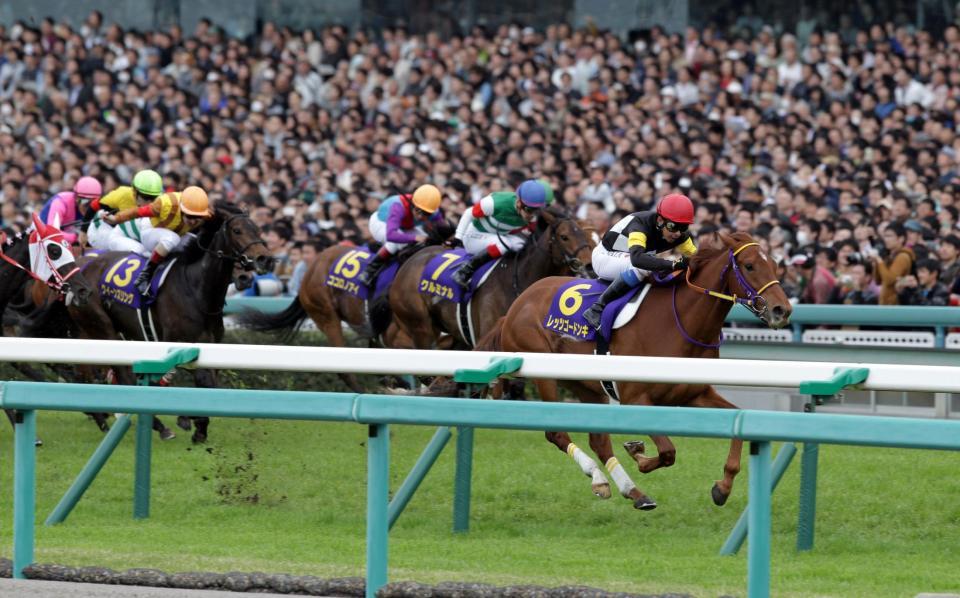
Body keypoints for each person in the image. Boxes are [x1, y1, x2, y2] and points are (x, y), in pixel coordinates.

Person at [582, 193, 697, 331]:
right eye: (673, 226)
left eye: (683, 227)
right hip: (604, 257)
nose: (678, 233)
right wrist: (672, 264)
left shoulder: (680, 236)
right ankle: (596, 308)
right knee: (643, 267)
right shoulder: (641, 224)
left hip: (627, 257)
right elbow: (637, 259)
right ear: (660, 220)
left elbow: (697, 257)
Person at [103, 186, 213, 297]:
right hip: (150, 233)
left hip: (169, 237)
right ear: (181, 208)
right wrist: (116, 218)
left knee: (195, 242)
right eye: (190, 216)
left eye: (198, 217)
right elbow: (138, 211)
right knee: (172, 238)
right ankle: (144, 276)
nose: (193, 221)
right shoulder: (166, 203)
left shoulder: (205, 213)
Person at [451, 179, 548, 290]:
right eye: (529, 210)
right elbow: (469, 213)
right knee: (504, 245)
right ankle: (465, 271)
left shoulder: (532, 216)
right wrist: (458, 238)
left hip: (496, 236)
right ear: (519, 202)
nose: (532, 215)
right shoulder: (495, 203)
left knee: (522, 245)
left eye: (536, 210)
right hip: (474, 236)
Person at [358, 184, 444, 288]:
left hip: (404, 226)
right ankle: (370, 270)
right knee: (395, 243)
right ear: (413, 203)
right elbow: (391, 235)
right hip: (381, 223)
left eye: (426, 214)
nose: (421, 216)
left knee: (426, 240)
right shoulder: (398, 206)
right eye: (418, 211)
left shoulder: (434, 211)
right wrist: (414, 238)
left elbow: (442, 227)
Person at [86, 169, 164, 251]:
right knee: (139, 249)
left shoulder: (163, 201)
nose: (150, 202)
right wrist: (83, 232)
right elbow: (94, 205)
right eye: (145, 197)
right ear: (134, 192)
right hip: (100, 231)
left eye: (153, 198)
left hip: (123, 231)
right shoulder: (123, 193)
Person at [39, 176, 102, 246]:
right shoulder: (60, 203)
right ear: (76, 198)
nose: (90, 209)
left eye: (94, 204)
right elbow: (52, 233)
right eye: (86, 203)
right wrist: (76, 237)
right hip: (42, 240)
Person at [873, 222, 916, 305]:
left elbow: (889, 280)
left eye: (889, 236)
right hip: (885, 304)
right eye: (885, 236)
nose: (886, 239)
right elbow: (877, 280)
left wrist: (879, 260)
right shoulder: (889, 256)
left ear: (901, 239)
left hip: (896, 305)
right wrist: (876, 261)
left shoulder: (903, 256)